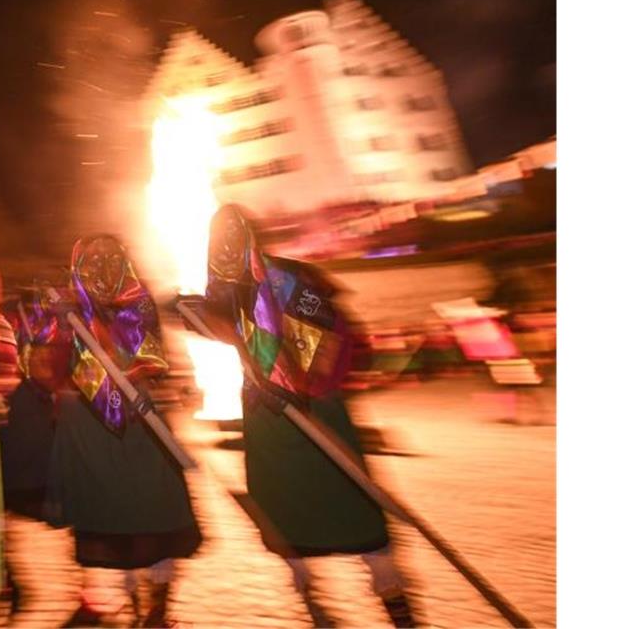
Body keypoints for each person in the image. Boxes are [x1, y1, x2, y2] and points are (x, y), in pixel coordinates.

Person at [202, 204, 417, 627]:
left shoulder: (290, 279)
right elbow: (231, 336)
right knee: (287, 519)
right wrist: (202, 316)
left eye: (234, 234)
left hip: (315, 411)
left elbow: (332, 337)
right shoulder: (221, 290)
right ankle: (317, 612)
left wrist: (305, 386)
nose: (225, 245)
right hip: (268, 422)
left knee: (357, 514)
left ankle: (399, 611)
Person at [47, 235, 201, 628]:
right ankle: (112, 604)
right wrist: (61, 328)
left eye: (110, 258)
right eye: (92, 259)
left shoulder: (140, 302)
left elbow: (151, 360)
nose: (102, 266)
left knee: (155, 518)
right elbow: (51, 369)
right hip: (89, 428)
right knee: (105, 525)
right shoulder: (66, 310)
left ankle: (159, 609)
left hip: (141, 426)